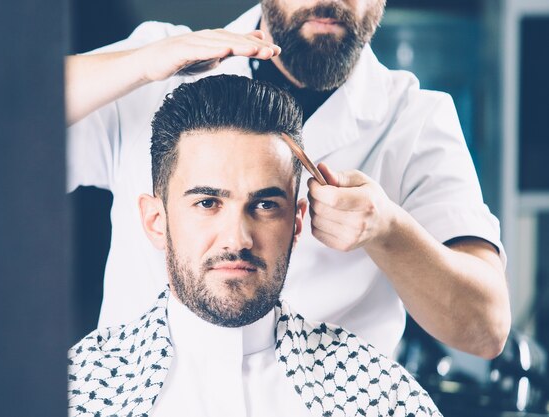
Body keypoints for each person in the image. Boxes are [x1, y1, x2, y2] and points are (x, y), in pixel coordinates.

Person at [65, 0, 510, 358]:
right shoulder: (151, 68)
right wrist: (139, 65)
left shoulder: (415, 123)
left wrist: (388, 231)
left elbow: (485, 329)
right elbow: (2, 122)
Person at [68, 75, 442, 417]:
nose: (237, 239)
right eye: (207, 203)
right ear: (155, 222)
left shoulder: (377, 391)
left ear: (296, 222)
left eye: (264, 205)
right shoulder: (78, 389)